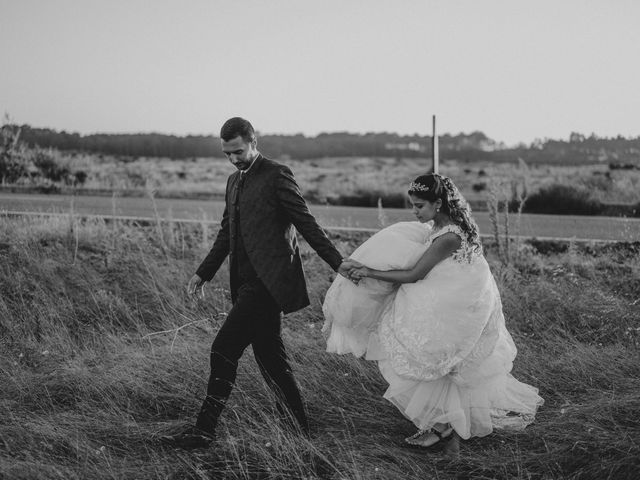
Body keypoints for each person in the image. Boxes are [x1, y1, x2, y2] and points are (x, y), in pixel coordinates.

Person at [163, 117, 350, 449]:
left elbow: (306, 223)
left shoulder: (277, 174)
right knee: (271, 360)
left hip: (269, 285)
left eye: (238, 151)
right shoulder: (233, 182)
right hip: (245, 283)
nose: (233, 159)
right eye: (227, 154)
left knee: (223, 348)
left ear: (253, 141)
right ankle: (299, 431)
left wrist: (340, 264)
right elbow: (226, 232)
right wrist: (203, 272)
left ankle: (204, 430)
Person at [322, 173, 543, 453]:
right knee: (443, 362)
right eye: (412, 205)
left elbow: (414, 274)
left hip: (458, 303)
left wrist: (368, 271)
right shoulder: (439, 226)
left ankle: (446, 428)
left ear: (438, 203)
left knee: (441, 359)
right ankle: (444, 425)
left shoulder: (448, 235)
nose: (414, 211)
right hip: (451, 294)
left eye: (419, 206)